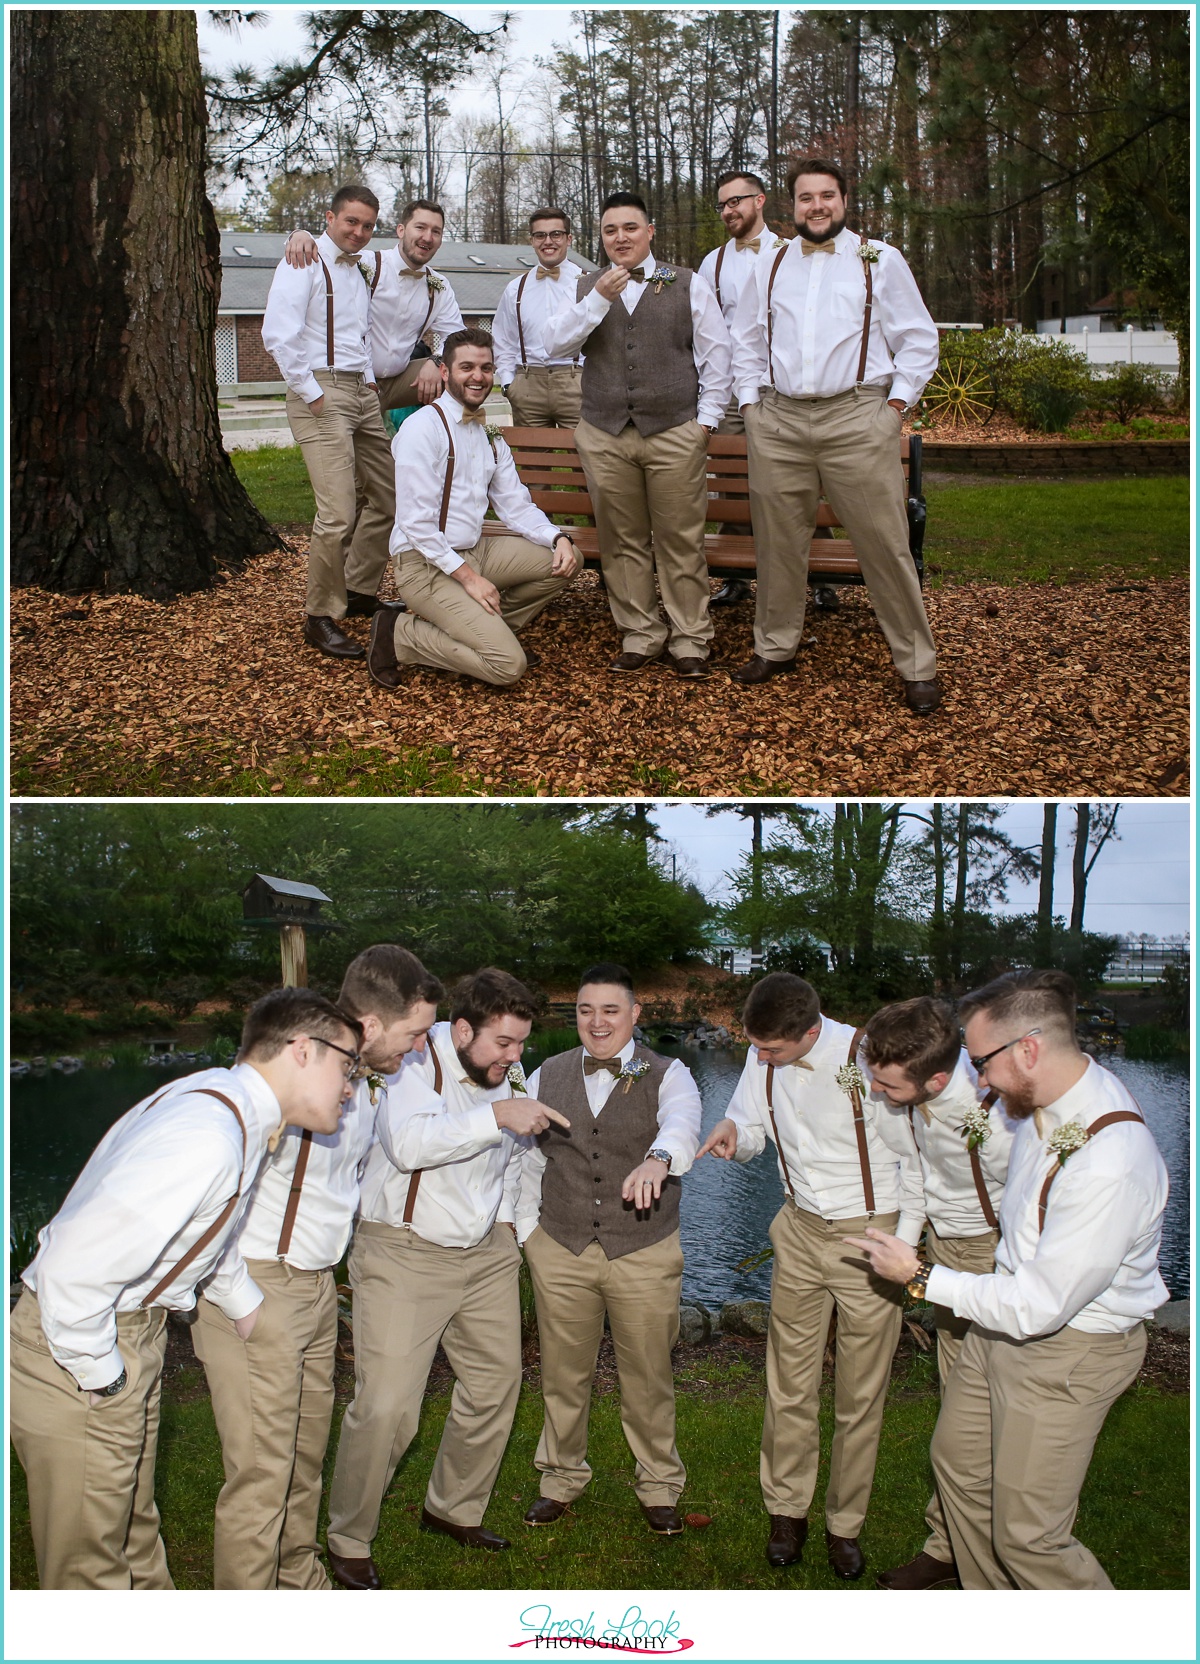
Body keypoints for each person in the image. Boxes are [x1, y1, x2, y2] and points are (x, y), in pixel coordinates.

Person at [9, 987, 361, 1590]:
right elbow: (72, 1265)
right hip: (82, 1344)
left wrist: (243, 1305)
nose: (352, 1086)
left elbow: (198, 1228)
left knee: (131, 1531)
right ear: (303, 1050)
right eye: (347, 1065)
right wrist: (102, 1375)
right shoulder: (210, 1134)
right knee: (89, 1571)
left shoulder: (228, 1110)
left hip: (121, 1333)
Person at [847, 969, 1169, 1590]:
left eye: (981, 1063)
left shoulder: (1110, 1163)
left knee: (1030, 1536)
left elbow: (1038, 1307)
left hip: (1068, 1351)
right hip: (1002, 1328)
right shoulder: (1044, 1103)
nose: (978, 1081)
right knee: (958, 1464)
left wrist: (917, 1276)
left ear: (1027, 1050)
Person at [192, 946, 443, 1590]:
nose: (419, 1049)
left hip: (317, 1288)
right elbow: (215, 1195)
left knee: (304, 1456)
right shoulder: (295, 1075)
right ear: (373, 1022)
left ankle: (301, 1582)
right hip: (256, 1285)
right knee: (260, 1475)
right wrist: (242, 1300)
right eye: (414, 1034)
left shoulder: (363, 1081)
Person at [325, 968, 568, 1589]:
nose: (516, 1058)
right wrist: (499, 1117)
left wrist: (509, 1226)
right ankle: (349, 1536)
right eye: (504, 1043)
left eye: (522, 1044)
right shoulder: (410, 1062)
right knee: (386, 1408)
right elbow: (409, 1144)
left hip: (485, 1253)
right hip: (404, 1253)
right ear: (460, 1030)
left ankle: (452, 1509)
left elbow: (513, 1159)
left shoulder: (504, 1073)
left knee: (494, 1386)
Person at [699, 973, 923, 1579]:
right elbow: (749, 1127)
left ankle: (845, 1524)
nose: (760, 1056)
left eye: (771, 1049)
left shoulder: (867, 1057)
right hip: (798, 1231)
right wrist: (732, 1135)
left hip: (870, 1236)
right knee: (788, 1381)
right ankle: (786, 1512)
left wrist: (904, 1243)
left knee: (861, 1391)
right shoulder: (762, 1054)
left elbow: (914, 1155)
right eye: (756, 1046)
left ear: (813, 1031)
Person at [729, 156, 941, 709]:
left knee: (885, 544)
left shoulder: (880, 260)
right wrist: (751, 406)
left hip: (856, 416)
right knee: (777, 543)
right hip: (778, 420)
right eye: (805, 197)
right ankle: (775, 645)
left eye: (827, 195)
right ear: (791, 205)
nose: (816, 206)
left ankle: (916, 662)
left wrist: (894, 406)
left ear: (843, 201)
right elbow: (747, 340)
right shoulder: (770, 264)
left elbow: (919, 338)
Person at [516, 964, 703, 1535]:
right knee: (562, 1375)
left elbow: (683, 1125)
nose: (597, 1022)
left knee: (648, 1375)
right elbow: (523, 1158)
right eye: (584, 1010)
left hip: (643, 1249)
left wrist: (659, 1158)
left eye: (610, 1010)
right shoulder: (544, 1072)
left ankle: (659, 1484)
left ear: (635, 1014)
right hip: (561, 1246)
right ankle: (560, 1477)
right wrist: (529, 1236)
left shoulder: (668, 1073)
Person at [860, 995, 1019, 1590]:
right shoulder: (914, 1103)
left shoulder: (999, 1116)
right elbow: (919, 1180)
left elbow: (1036, 1203)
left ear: (937, 1077)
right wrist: (901, 1253)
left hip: (1000, 1257)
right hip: (944, 1255)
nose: (877, 1093)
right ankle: (948, 1546)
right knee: (960, 1410)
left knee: (1011, 1417)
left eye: (888, 1085)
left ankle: (1011, 1553)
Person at [543, 191, 732, 680]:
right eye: (610, 230)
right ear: (601, 237)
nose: (620, 237)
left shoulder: (685, 282)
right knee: (621, 539)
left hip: (673, 431)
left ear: (649, 232)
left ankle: (691, 637)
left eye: (630, 228)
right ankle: (639, 632)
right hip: (605, 432)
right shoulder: (585, 284)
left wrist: (704, 423)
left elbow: (716, 356)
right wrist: (599, 298)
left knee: (680, 540)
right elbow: (555, 343)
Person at [366, 327, 581, 690]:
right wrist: (470, 578)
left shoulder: (489, 436)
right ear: (446, 372)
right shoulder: (422, 430)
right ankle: (399, 634)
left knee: (563, 560)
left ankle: (488, 630)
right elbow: (416, 524)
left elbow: (516, 505)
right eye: (467, 367)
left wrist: (557, 537)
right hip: (424, 564)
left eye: (486, 368)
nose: (478, 377)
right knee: (507, 667)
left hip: (476, 549)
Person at [261, 184, 397, 660]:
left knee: (389, 495)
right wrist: (313, 394)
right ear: (330, 217)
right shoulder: (302, 259)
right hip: (320, 393)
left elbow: (353, 332)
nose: (358, 232)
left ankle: (357, 590)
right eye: (351, 222)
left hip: (360, 392)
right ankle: (319, 615)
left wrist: (369, 383)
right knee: (338, 512)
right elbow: (279, 334)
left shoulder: (358, 269)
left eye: (367, 225)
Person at [285, 197, 465, 422]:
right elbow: (331, 253)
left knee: (462, 372)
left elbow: (457, 338)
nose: (427, 237)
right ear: (401, 230)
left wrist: (436, 361)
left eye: (436, 231)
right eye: (420, 227)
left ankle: (449, 444)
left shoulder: (439, 286)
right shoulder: (366, 264)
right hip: (356, 378)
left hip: (402, 380)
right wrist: (300, 235)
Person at [492, 208, 585, 428]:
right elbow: (503, 340)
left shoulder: (588, 283)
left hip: (577, 383)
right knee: (531, 459)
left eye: (556, 234)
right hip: (527, 386)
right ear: (532, 240)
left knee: (584, 459)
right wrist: (508, 384)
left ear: (568, 239)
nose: (548, 241)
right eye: (540, 235)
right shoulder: (516, 289)